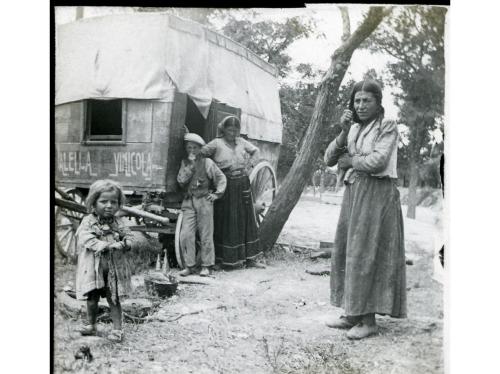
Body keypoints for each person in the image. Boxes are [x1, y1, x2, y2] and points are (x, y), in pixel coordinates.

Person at [324, 79, 407, 340]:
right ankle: (353, 312)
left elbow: (378, 161)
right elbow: (328, 159)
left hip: (378, 195)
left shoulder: (387, 126)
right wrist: (342, 131)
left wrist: (351, 161)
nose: (360, 105)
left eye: (366, 100)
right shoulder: (353, 128)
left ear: (378, 102)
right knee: (349, 250)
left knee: (367, 251)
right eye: (357, 100)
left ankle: (369, 319)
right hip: (354, 192)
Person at [200, 115, 265, 269]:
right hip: (225, 185)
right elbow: (201, 154)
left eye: (236, 130)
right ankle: (225, 260)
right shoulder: (216, 143)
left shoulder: (242, 142)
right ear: (224, 129)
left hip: (242, 183)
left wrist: (250, 165)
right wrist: (211, 170)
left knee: (246, 219)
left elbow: (256, 151)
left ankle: (250, 259)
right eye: (230, 129)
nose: (233, 133)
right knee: (226, 220)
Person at [75, 179, 136, 343]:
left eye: (113, 202)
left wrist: (127, 243)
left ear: (118, 204)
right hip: (94, 268)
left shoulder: (118, 222)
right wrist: (107, 245)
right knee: (92, 298)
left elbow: (129, 236)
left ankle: (117, 329)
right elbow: (86, 238)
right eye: (103, 201)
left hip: (112, 269)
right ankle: (91, 324)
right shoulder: (88, 221)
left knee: (114, 299)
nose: (109, 205)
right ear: (93, 203)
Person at [177, 133, 227, 277]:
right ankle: (190, 266)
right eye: (189, 148)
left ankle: (206, 266)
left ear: (200, 149)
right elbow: (180, 181)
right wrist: (190, 167)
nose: (191, 150)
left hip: (204, 201)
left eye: (194, 148)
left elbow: (221, 178)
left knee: (206, 234)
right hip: (189, 201)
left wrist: (217, 194)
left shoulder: (208, 163)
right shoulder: (185, 163)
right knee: (186, 234)